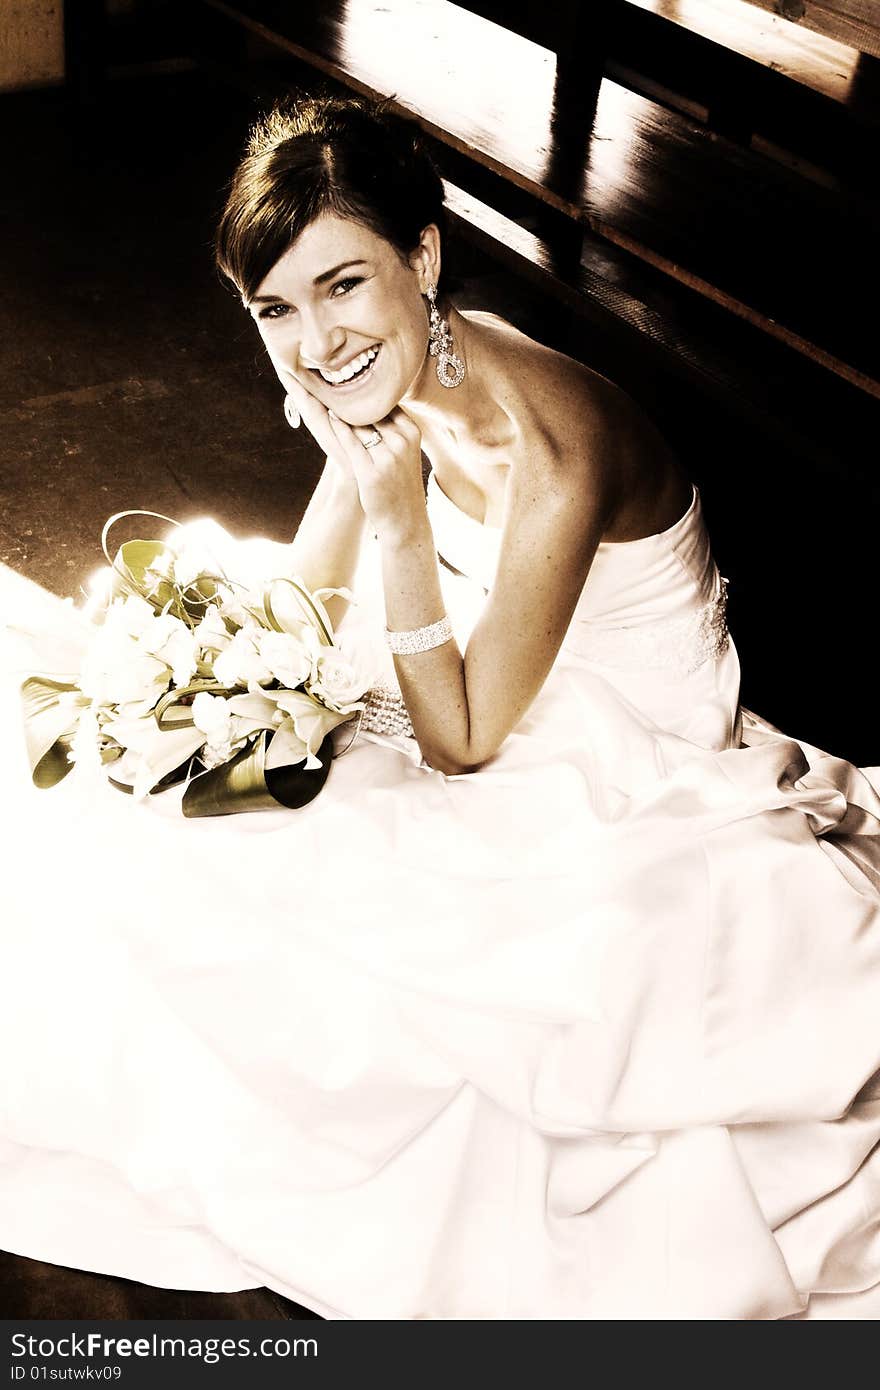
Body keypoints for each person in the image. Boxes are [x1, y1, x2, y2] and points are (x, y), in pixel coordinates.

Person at [1, 93, 879, 1321]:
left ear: (422, 258)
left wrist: (403, 520)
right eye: (274, 309)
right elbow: (309, 599)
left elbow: (464, 743)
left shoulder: (553, 444)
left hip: (619, 746)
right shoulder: (385, 363)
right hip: (480, 675)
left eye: (342, 284)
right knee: (198, 812)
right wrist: (221, 690)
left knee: (379, 915)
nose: (313, 342)